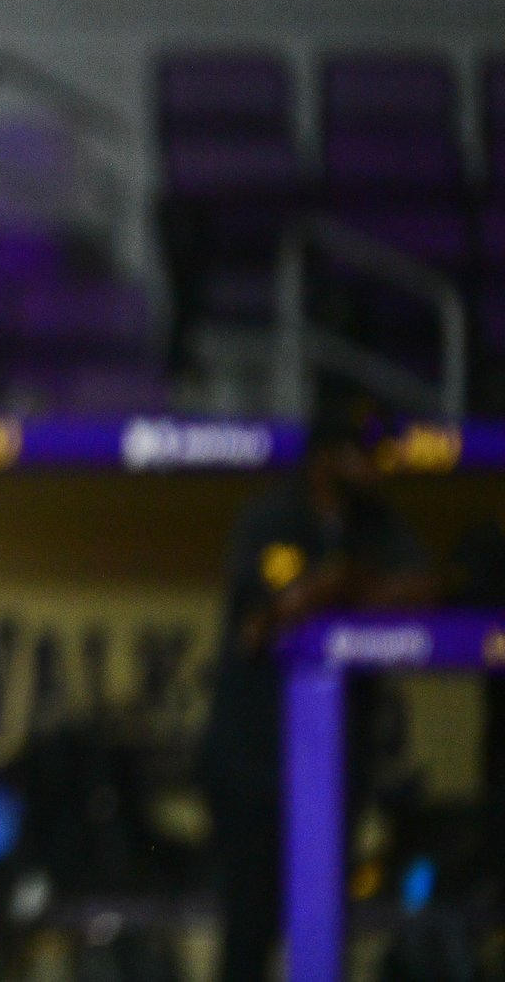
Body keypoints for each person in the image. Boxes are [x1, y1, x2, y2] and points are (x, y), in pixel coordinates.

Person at [200, 402, 434, 982]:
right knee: (252, 923)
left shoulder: (375, 522)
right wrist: (331, 590)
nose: (374, 468)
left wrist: (346, 584)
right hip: (252, 756)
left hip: (334, 758)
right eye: (361, 455)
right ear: (325, 460)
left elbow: (425, 587)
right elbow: (270, 616)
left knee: (325, 920)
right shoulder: (274, 516)